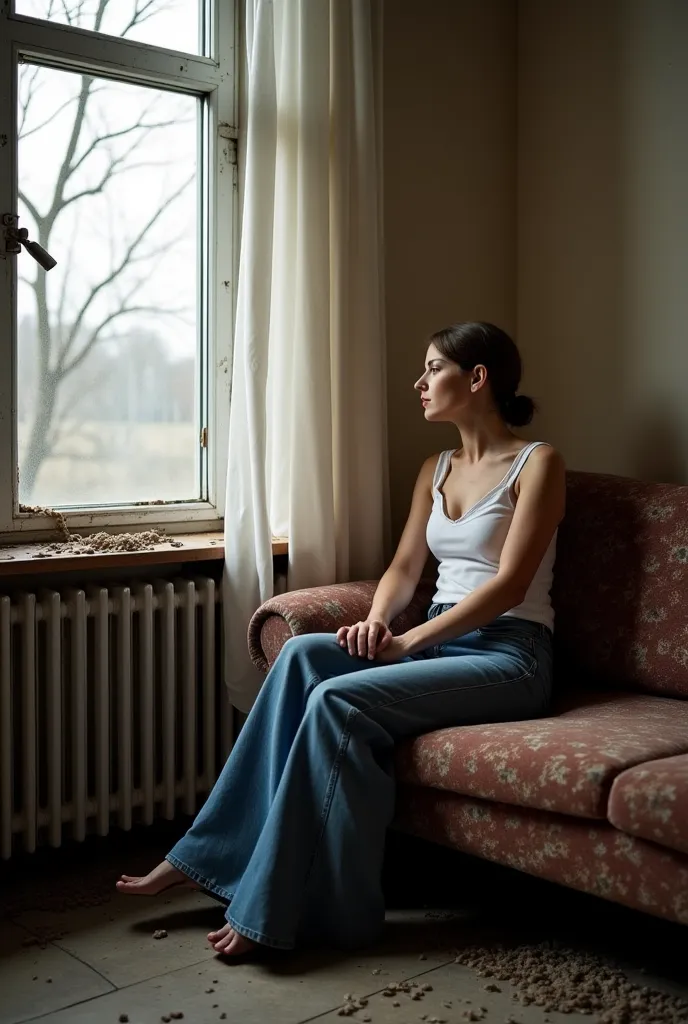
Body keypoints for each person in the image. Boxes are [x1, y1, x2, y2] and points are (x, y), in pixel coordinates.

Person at [117, 321, 566, 958]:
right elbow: (405, 570)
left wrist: (409, 646)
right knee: (303, 656)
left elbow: (510, 584)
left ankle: (278, 909)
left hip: (510, 654)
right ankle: (206, 857)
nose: (420, 381)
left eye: (434, 367)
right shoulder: (434, 468)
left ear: (478, 378)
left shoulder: (537, 461)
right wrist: (380, 621)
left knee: (338, 703)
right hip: (439, 638)